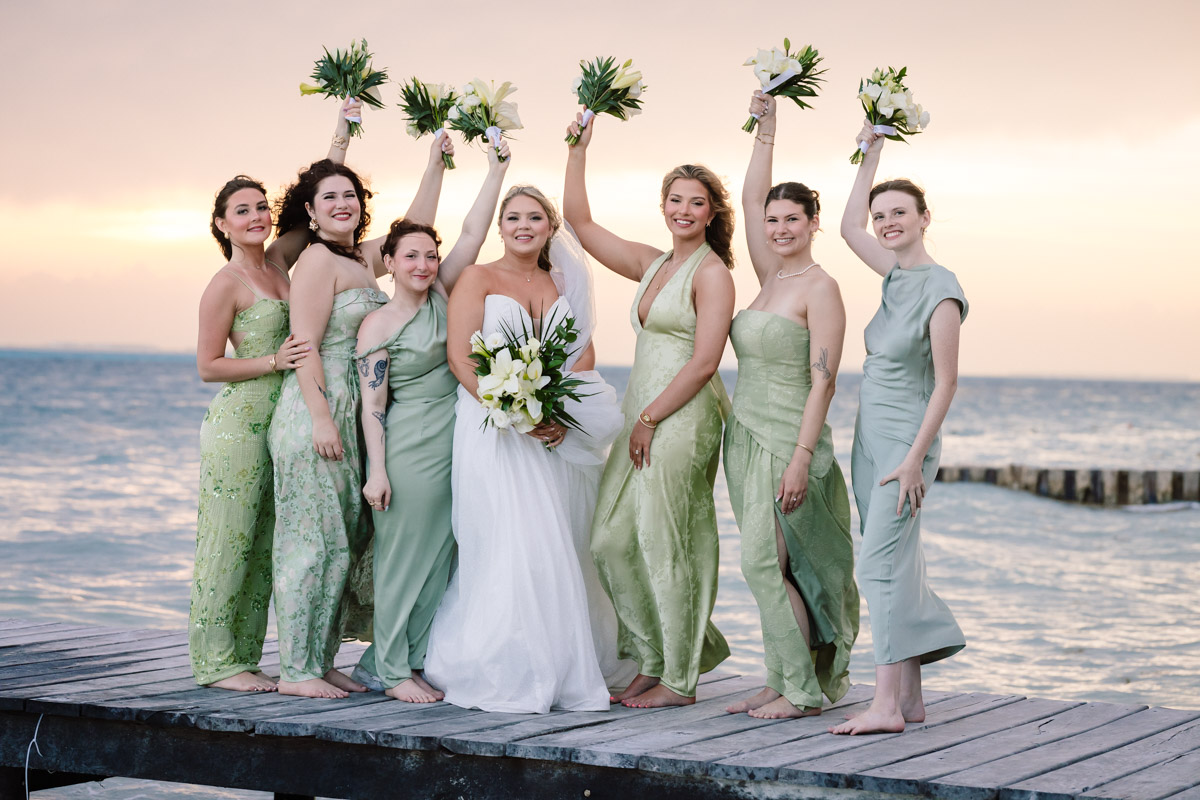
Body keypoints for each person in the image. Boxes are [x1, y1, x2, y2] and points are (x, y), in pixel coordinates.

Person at [422, 185, 631, 714]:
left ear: (550, 226)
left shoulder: (563, 281)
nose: (523, 225)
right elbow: (460, 357)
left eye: (534, 217)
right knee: (507, 540)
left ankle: (560, 659)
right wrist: (516, 412)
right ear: (499, 227)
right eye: (512, 217)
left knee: (558, 542)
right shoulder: (479, 278)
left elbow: (582, 354)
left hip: (554, 433)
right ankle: (504, 662)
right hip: (493, 429)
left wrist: (559, 413)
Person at [564, 115, 733, 709]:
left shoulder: (712, 274)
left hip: (681, 417)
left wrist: (650, 418)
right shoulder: (651, 263)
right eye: (675, 200)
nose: (684, 210)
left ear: (712, 212)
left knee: (668, 542)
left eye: (697, 202)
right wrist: (579, 148)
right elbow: (581, 225)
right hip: (643, 412)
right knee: (611, 538)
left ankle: (680, 679)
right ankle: (653, 656)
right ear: (663, 206)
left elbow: (706, 361)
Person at [188, 104, 359, 691]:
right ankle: (215, 663)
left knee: (264, 544)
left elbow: (316, 197)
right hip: (238, 423)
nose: (257, 216)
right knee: (227, 538)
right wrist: (271, 361)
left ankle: (245, 656)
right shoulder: (226, 284)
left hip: (280, 424)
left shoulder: (284, 265)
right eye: (243, 211)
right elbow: (208, 365)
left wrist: (343, 130)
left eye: (262, 206)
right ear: (222, 225)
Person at [350, 142, 510, 703]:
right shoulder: (377, 324)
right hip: (410, 447)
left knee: (441, 557)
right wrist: (377, 471)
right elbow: (372, 406)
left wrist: (496, 170)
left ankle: (400, 660)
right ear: (388, 263)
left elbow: (470, 232)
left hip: (457, 443)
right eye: (410, 256)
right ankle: (392, 670)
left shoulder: (444, 292)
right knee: (403, 560)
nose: (423, 265)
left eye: (429, 256)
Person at [722, 92, 859, 720]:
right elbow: (748, 199)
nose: (777, 228)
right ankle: (781, 678)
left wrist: (802, 457)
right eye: (774, 220)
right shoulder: (768, 277)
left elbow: (824, 382)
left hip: (789, 440)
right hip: (743, 435)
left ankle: (801, 691)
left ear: (813, 224)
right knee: (768, 566)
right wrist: (766, 129)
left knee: (765, 563)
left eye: (791, 220)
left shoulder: (821, 288)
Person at [829, 121, 968, 735]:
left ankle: (884, 707)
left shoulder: (941, 289)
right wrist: (871, 153)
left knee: (878, 566)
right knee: (898, 562)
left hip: (906, 445)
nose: (886, 223)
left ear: (924, 217)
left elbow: (946, 383)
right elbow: (846, 227)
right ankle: (910, 698)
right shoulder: (893, 274)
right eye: (881, 214)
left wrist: (915, 459)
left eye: (898, 213)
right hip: (869, 439)